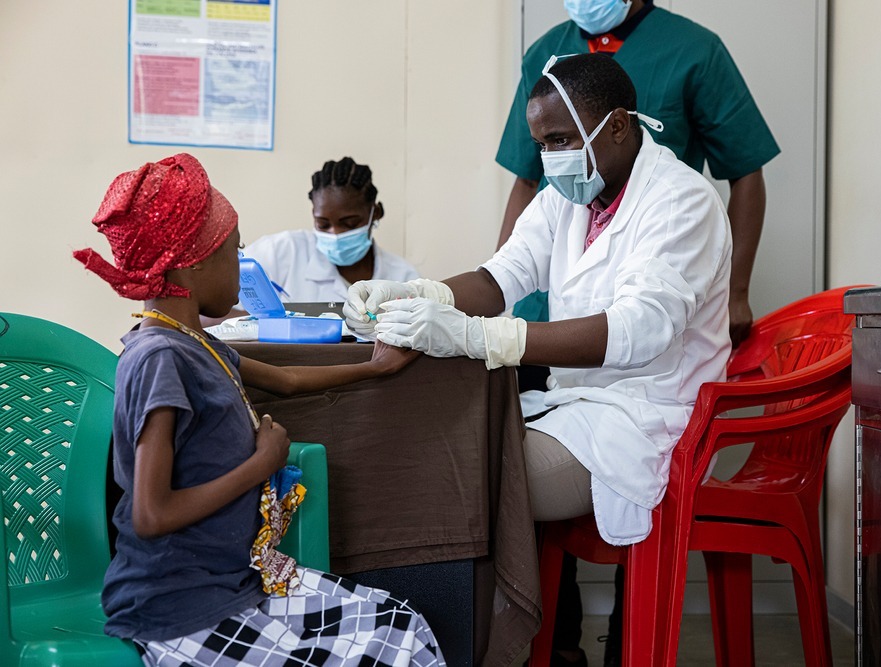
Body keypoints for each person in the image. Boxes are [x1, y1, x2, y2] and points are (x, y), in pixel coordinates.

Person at [343, 54, 731, 667]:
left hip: (649, 420)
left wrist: (483, 339)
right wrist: (415, 295)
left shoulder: (682, 201)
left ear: (618, 126)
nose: (550, 159)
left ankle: (475, 650)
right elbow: (500, 277)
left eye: (560, 140)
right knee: (444, 446)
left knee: (469, 473)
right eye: (542, 144)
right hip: (579, 408)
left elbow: (637, 331)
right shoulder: (569, 199)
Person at [72, 153, 444, 667]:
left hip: (233, 581)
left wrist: (375, 367)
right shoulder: (159, 357)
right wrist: (262, 463)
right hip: (178, 607)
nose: (243, 261)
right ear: (193, 262)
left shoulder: (194, 342)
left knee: (402, 628)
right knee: (380, 652)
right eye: (235, 249)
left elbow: (287, 380)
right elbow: (152, 515)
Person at [496, 0, 778, 348]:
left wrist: (736, 291)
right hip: (547, 293)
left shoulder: (695, 50)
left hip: (649, 265)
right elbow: (526, 179)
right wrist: (502, 286)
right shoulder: (545, 52)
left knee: (631, 344)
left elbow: (745, 168)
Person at [243, 157, 419, 304]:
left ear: (376, 213)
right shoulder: (281, 251)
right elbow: (226, 308)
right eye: (323, 224)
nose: (335, 234)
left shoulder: (403, 276)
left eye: (350, 223)